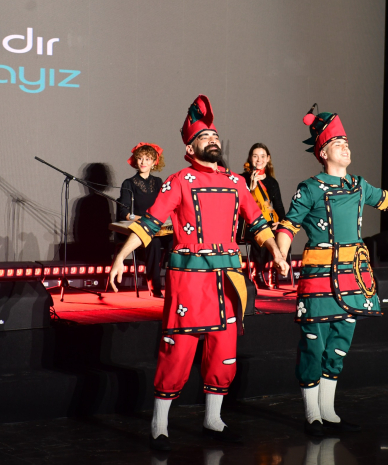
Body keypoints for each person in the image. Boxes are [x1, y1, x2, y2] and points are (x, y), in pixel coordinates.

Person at [108, 95, 289, 451]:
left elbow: (258, 223)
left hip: (228, 280)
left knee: (224, 349)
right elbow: (151, 222)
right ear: (190, 148)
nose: (213, 140)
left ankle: (213, 419)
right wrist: (121, 256)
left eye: (215, 136)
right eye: (205, 137)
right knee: (178, 350)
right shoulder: (179, 180)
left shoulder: (236, 182)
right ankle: (160, 424)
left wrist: (277, 252)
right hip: (190, 280)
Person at [275, 104, 388, 437]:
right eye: (338, 143)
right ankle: (312, 414)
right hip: (320, 277)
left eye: (347, 142)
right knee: (314, 343)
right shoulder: (310, 188)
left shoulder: (359, 185)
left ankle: (329, 412)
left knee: (340, 343)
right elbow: (288, 225)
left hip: (353, 276)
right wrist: (281, 252)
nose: (346, 147)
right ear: (323, 152)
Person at [116, 143, 170, 298]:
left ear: (154, 162)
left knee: (175, 240)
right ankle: (155, 287)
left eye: (147, 159)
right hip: (141, 228)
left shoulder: (158, 182)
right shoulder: (128, 183)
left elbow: (164, 206)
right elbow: (124, 212)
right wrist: (145, 219)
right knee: (154, 242)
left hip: (158, 227)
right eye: (140, 158)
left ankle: (172, 281)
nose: (143, 162)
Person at [241, 143, 286, 287]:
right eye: (255, 156)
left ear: (268, 158)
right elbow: (241, 205)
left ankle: (275, 270)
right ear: (250, 158)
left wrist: (281, 223)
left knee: (281, 233)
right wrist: (251, 187)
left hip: (269, 222)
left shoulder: (272, 182)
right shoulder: (242, 179)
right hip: (249, 224)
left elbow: (279, 207)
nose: (259, 160)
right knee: (260, 232)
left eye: (262, 156)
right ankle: (258, 273)